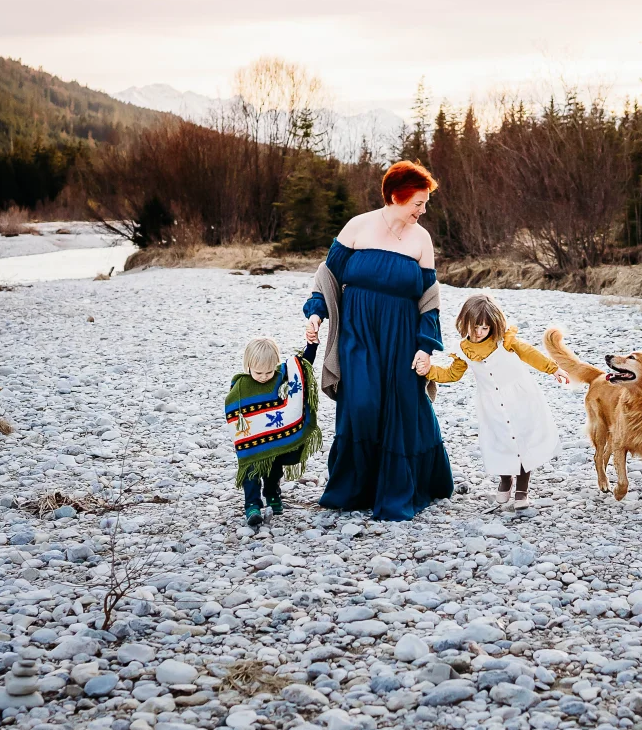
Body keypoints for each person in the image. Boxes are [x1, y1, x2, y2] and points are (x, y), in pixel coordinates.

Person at [304, 161, 453, 520]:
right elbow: (328, 277)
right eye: (418, 202)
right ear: (394, 196)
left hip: (402, 337)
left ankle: (401, 488)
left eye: (425, 203)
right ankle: (353, 489)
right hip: (358, 334)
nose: (422, 210)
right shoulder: (358, 227)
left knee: (403, 404)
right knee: (362, 403)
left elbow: (429, 302)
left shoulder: (422, 240)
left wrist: (425, 345)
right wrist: (316, 314)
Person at [425, 293, 568, 512]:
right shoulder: (463, 349)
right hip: (491, 403)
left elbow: (530, 354)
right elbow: (452, 374)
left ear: (493, 326)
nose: (480, 332)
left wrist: (553, 369)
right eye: (475, 327)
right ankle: (505, 479)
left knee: (522, 441)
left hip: (520, 398)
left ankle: (522, 488)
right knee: (501, 440)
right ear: (465, 323)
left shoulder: (505, 341)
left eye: (485, 328)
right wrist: (429, 371)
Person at [224, 337, 321, 528]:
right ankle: (251, 505)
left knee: (274, 466)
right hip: (252, 441)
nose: (264, 376)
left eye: (269, 371)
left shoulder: (279, 375)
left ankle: (272, 493)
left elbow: (302, 368)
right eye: (258, 372)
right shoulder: (241, 385)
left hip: (273, 436)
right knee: (251, 470)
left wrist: (312, 345)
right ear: (248, 365)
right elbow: (235, 410)